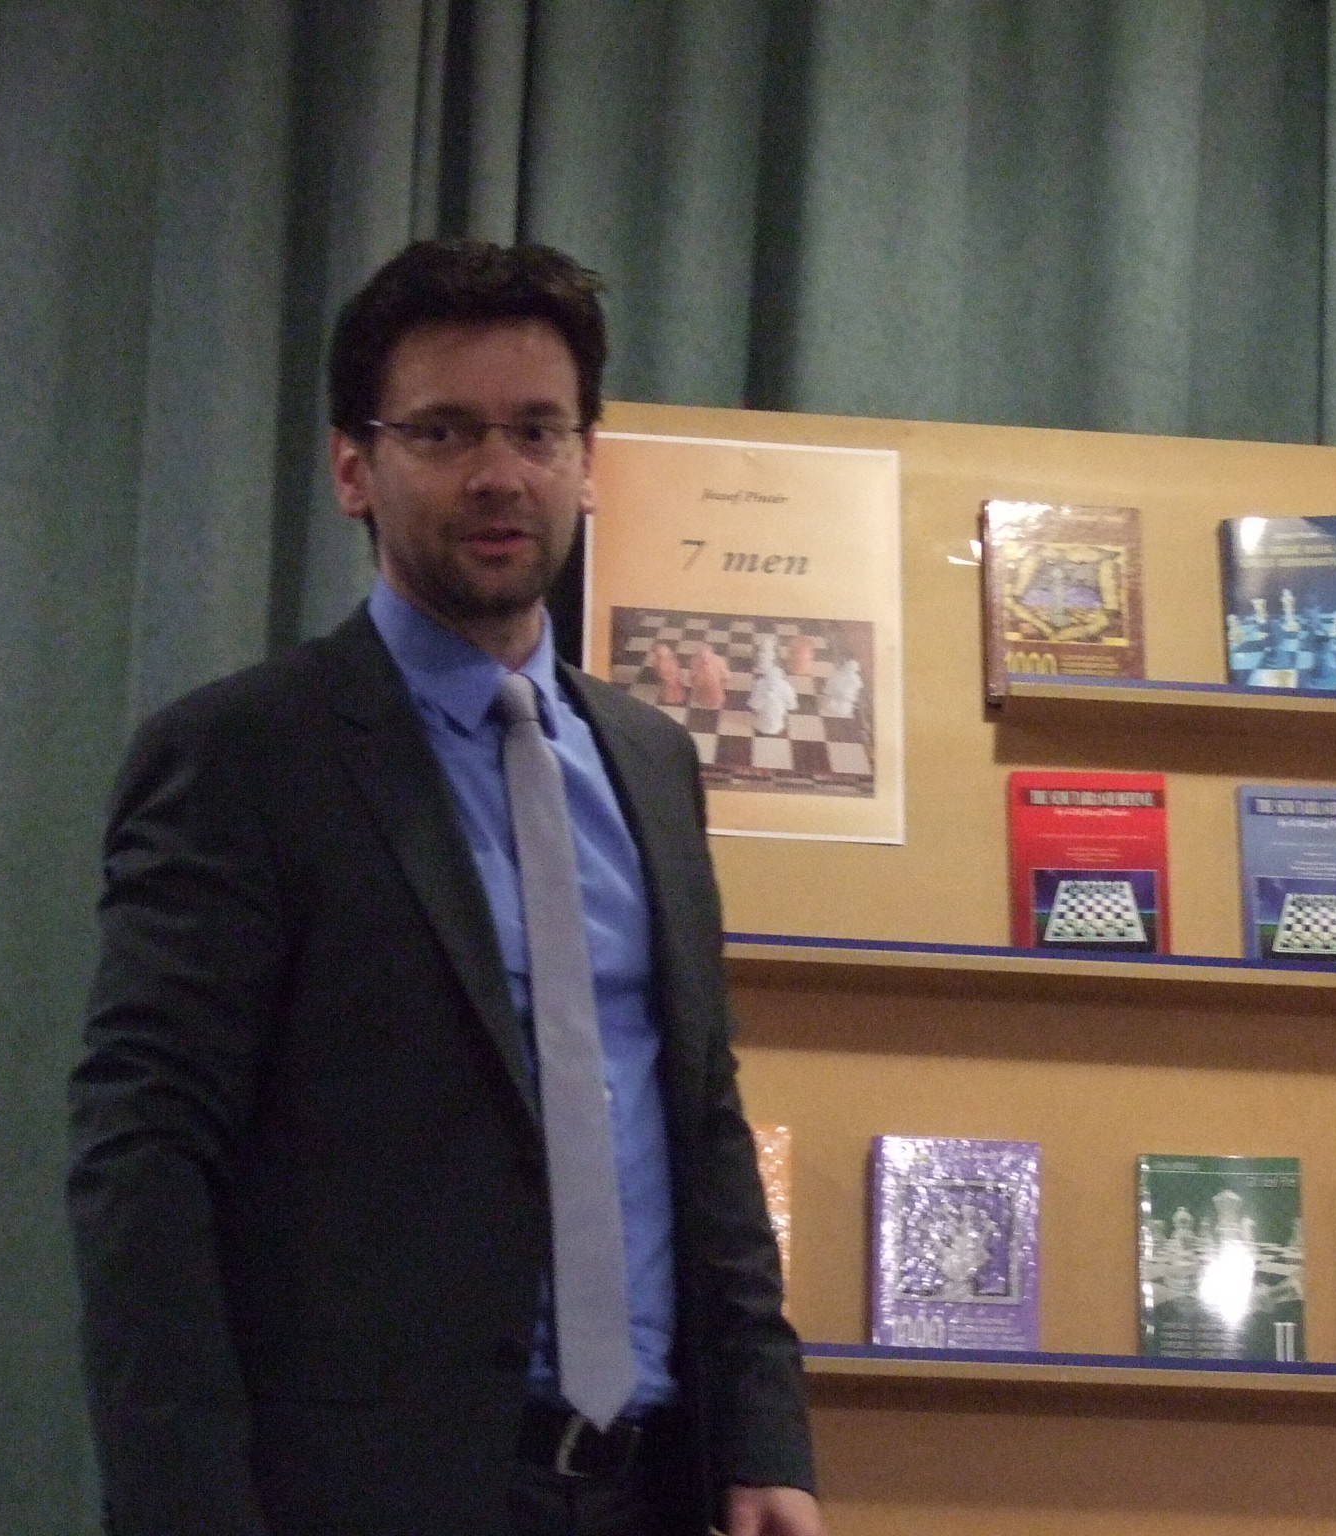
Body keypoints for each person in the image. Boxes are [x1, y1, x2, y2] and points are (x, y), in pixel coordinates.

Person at [67, 240, 823, 1536]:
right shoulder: (243, 757)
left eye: (537, 430)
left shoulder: (649, 762)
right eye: (443, 431)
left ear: (588, 460)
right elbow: (145, 1157)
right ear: (352, 468)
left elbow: (699, 1119)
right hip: (361, 1496)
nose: (498, 474)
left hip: (648, 1487)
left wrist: (764, 1441)